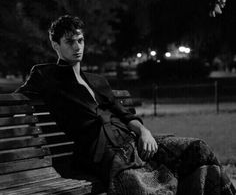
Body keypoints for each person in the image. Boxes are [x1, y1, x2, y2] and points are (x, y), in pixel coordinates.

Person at [16, 15, 235, 195]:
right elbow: (15, 102)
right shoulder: (46, 75)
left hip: (129, 141)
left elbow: (123, 113)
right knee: (143, 185)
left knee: (197, 148)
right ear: (56, 45)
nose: (77, 46)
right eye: (69, 41)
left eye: (80, 40)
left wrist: (144, 132)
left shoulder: (97, 81)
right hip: (100, 154)